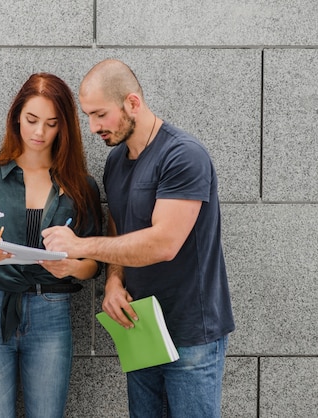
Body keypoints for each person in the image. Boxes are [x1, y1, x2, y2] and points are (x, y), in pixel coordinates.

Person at [42, 59, 235, 417]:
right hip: (141, 326)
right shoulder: (116, 161)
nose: (93, 126)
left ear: (132, 103)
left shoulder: (182, 155)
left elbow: (163, 243)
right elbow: (120, 228)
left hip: (192, 332)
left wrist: (80, 245)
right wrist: (114, 282)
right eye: (87, 116)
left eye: (100, 114)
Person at [0, 72, 102, 418]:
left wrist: (71, 266)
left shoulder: (81, 187)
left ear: (64, 127)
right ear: (16, 115)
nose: (39, 133)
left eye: (51, 124)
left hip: (52, 311)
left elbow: (93, 262)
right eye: (32, 120)